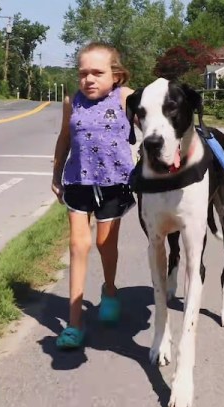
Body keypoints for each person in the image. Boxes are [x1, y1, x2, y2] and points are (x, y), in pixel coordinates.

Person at [50, 42, 136, 349]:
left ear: (116, 75)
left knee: (104, 243)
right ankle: (74, 323)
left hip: (115, 183)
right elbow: (64, 137)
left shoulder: (126, 98)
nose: (89, 79)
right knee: (78, 245)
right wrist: (56, 173)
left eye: (97, 73)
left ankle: (110, 290)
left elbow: (151, 127)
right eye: (83, 73)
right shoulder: (71, 101)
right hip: (78, 182)